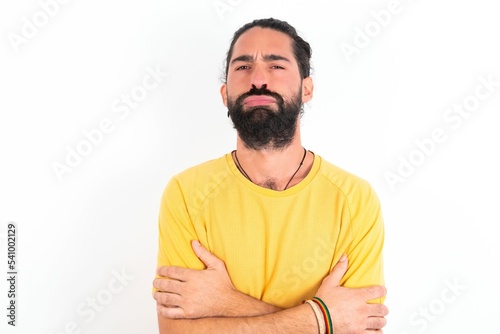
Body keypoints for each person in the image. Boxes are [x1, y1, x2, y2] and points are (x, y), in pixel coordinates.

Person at [152, 18, 388, 333]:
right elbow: (177, 331)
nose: (258, 79)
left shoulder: (355, 200)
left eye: (276, 66)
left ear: (307, 89)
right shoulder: (186, 193)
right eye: (242, 67)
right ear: (225, 93)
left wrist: (226, 302)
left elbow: (360, 329)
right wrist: (322, 319)